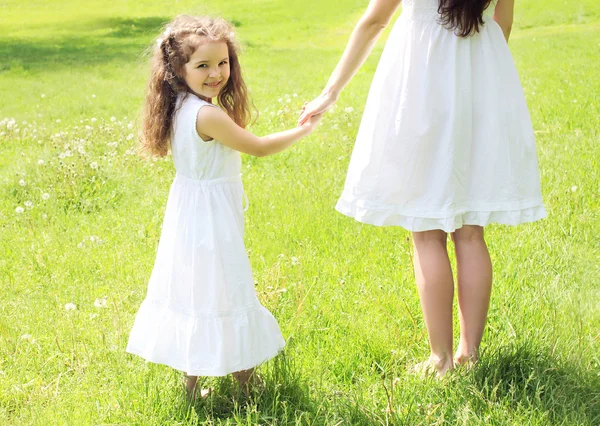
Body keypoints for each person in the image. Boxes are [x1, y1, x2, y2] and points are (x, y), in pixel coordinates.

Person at [299, 0, 545, 376]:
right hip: (478, 84)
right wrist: (480, 79)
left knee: (426, 232)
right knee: (471, 230)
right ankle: (469, 355)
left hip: (421, 86)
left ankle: (441, 358)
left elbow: (374, 21)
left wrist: (330, 92)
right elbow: (503, 22)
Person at [126, 15, 322, 397]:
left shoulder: (182, 106)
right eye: (203, 66)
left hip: (190, 215)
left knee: (194, 291)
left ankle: (191, 385)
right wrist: (305, 129)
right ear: (178, 70)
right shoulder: (208, 114)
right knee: (228, 291)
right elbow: (260, 147)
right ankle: (248, 386)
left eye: (223, 62)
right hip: (210, 221)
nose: (216, 73)